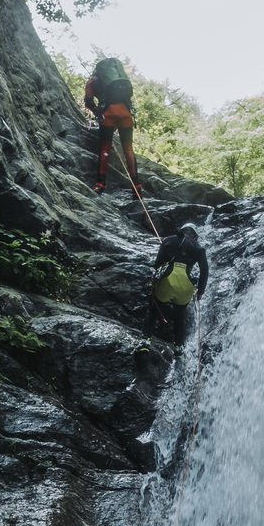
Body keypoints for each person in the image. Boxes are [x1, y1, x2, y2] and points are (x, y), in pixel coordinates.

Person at [84, 55, 139, 195]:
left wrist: (98, 113)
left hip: (109, 115)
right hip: (126, 114)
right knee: (129, 150)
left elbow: (89, 103)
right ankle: (137, 186)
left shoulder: (92, 81)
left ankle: (100, 183)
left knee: (105, 149)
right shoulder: (121, 81)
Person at [149, 223, 208, 346]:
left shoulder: (169, 240)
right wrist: (200, 291)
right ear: (195, 237)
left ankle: (145, 339)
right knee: (179, 317)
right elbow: (204, 271)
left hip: (167, 282)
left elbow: (157, 264)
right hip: (185, 288)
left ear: (181, 231)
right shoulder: (199, 249)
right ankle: (179, 348)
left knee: (154, 309)